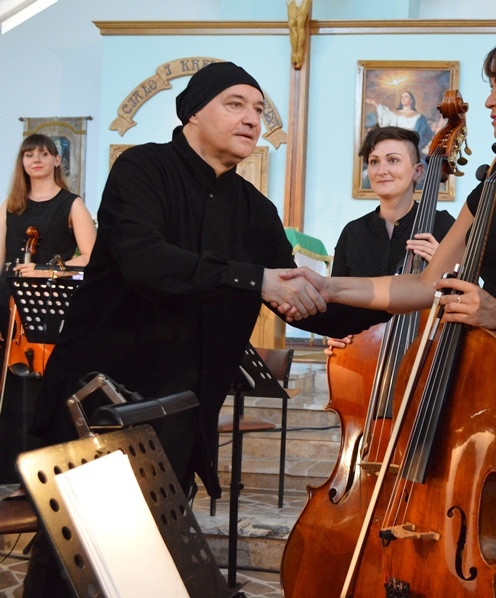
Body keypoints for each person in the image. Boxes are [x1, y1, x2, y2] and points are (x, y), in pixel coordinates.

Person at [293, 34, 496, 573]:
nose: (489, 101)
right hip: (490, 377)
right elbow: (424, 284)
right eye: (488, 87)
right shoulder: (493, 182)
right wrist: (329, 285)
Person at [23, 61, 321, 597]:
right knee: (73, 569)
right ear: (192, 113)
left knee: (144, 572)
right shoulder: (143, 168)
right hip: (100, 403)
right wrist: (255, 279)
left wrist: (408, 291)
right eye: (236, 104)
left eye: (259, 109)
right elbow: (147, 262)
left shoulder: (255, 209)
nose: (253, 118)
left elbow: (301, 296)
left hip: (179, 414)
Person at [309, 125, 455, 355]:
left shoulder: (445, 226)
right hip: (359, 354)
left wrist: (444, 265)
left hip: (426, 354)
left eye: (393, 160)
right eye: (374, 161)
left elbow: (466, 295)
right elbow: (337, 300)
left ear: (417, 171)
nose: (381, 169)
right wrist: (335, 332)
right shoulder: (353, 232)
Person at [0, 134, 96, 337]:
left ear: (57, 160)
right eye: (29, 154)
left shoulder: (72, 204)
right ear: (22, 162)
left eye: (44, 154)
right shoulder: (9, 204)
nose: (36, 159)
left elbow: (91, 257)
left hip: (49, 297)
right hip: (6, 298)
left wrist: (45, 271)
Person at [366, 90, 435, 154]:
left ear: (411, 100)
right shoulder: (395, 114)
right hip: (395, 144)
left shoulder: (418, 117)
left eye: (406, 96)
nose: (403, 98)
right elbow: (385, 117)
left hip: (410, 146)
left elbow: (426, 134)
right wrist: (376, 104)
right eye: (402, 97)